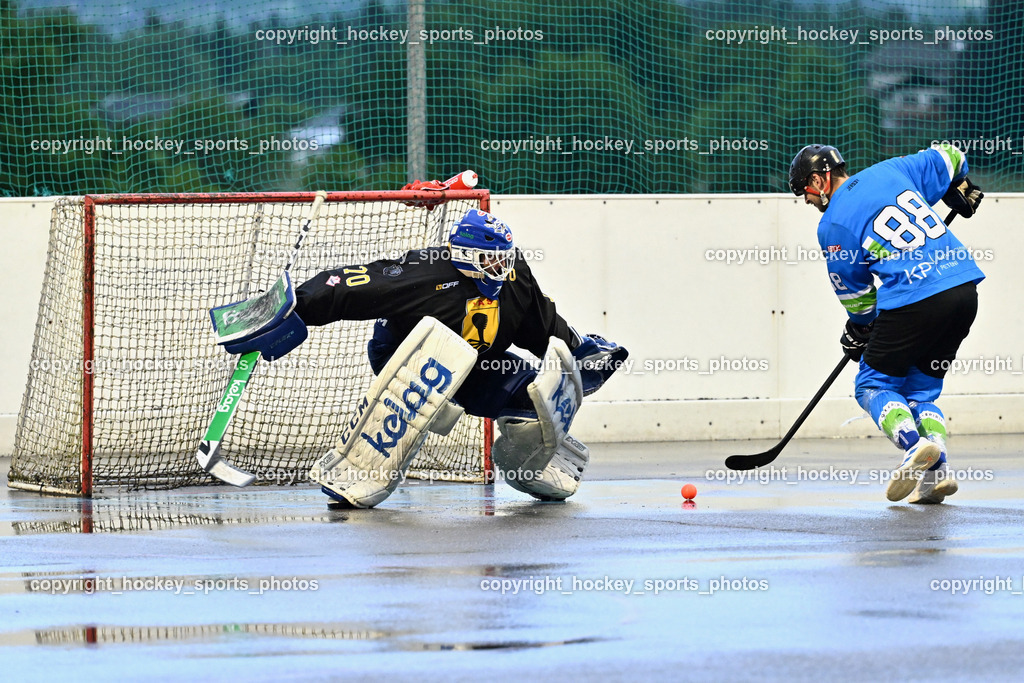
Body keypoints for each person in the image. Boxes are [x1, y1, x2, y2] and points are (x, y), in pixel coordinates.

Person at [289, 206, 628, 507]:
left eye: (505, 258)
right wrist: (295, 307)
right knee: (422, 397)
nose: (501, 267)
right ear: (465, 255)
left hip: (477, 365)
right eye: (490, 259)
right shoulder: (425, 272)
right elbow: (348, 285)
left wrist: (578, 349)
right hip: (410, 357)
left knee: (534, 400)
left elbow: (540, 323)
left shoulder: (514, 273)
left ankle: (526, 471)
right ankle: (360, 470)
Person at [789, 143, 985, 504]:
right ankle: (936, 476)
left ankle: (914, 447)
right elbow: (951, 154)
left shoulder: (832, 224)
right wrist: (959, 183)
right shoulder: (894, 170)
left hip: (916, 300)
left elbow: (856, 293)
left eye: (805, 190)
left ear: (820, 179)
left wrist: (861, 329)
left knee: (871, 385)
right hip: (964, 290)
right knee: (919, 392)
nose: (806, 200)